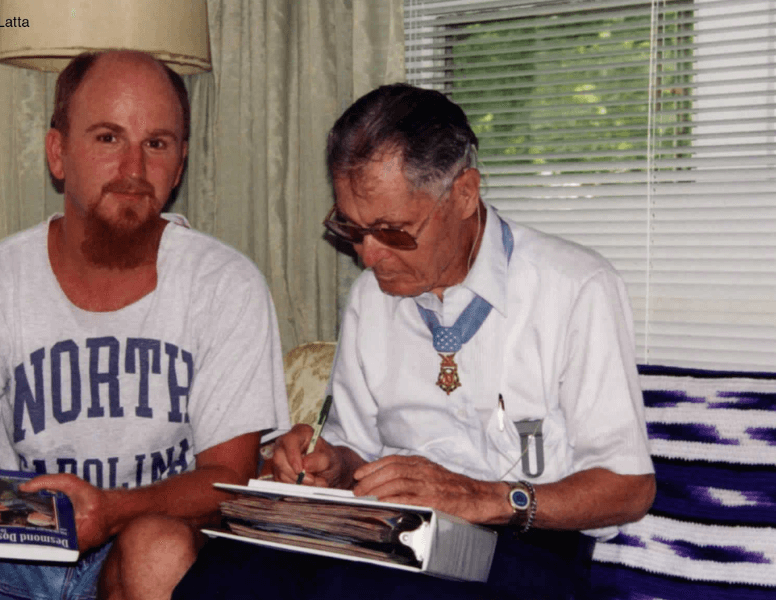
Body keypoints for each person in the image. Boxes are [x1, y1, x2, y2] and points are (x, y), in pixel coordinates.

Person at [173, 83, 655, 600]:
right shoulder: (370, 298)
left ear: (464, 194)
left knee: (348, 588)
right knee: (228, 571)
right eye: (351, 230)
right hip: (391, 532)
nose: (369, 256)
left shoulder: (575, 287)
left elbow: (628, 488)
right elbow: (355, 450)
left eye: (393, 231)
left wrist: (486, 497)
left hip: (528, 546)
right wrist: (331, 463)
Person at [0, 50, 290, 600]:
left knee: (156, 547)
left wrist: (115, 511)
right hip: (7, 556)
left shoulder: (224, 284)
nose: (134, 170)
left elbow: (227, 480)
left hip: (140, 547)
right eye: (107, 138)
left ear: (181, 161)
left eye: (157, 144)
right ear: (58, 153)